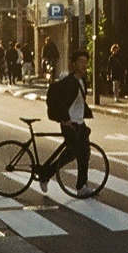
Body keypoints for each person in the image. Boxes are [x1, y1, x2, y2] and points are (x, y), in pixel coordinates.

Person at [40, 50, 97, 197]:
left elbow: (80, 102)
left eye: (85, 62)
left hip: (79, 122)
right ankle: (81, 186)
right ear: (73, 64)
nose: (84, 65)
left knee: (74, 154)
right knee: (82, 153)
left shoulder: (82, 81)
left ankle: (46, 174)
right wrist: (65, 120)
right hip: (71, 124)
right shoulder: (69, 83)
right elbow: (63, 104)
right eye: (81, 62)